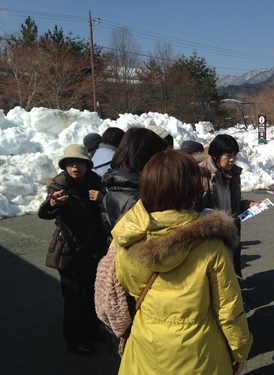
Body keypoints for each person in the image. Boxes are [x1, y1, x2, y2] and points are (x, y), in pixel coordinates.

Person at [112, 150, 253, 375]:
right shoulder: (208, 244)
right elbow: (228, 308)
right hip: (200, 353)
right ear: (191, 189)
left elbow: (126, 285)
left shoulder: (128, 235)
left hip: (146, 345)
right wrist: (240, 351)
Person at [38, 144, 108, 355]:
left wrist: (103, 200)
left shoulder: (95, 181)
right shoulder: (59, 185)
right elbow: (44, 212)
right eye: (70, 163)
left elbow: (109, 208)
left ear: (87, 165)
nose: (75, 167)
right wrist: (52, 203)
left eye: (79, 162)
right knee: (74, 298)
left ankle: (92, 330)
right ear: (65, 166)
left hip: (93, 247)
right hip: (69, 249)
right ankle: (75, 340)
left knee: (92, 294)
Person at [196, 134, 256, 277]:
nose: (232, 159)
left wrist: (246, 205)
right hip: (210, 235)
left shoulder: (233, 174)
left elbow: (230, 203)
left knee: (230, 270)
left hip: (229, 232)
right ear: (216, 155)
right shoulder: (201, 173)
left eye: (234, 155)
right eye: (228, 155)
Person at [101, 127, 168, 242]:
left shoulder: (115, 185)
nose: (162, 162)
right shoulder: (140, 195)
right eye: (159, 156)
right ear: (146, 157)